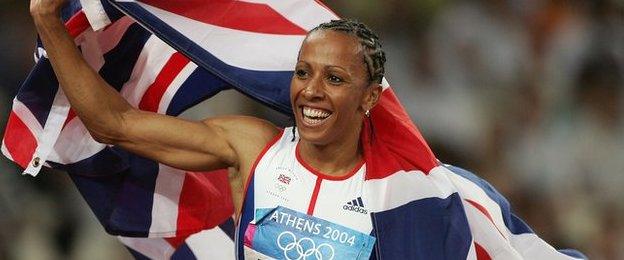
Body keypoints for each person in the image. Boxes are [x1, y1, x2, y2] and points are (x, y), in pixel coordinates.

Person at [30, 0, 585, 259]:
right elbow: (114, 125)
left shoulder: (412, 194)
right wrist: (48, 22)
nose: (311, 91)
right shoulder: (252, 147)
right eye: (302, 73)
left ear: (371, 98)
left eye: (335, 78)